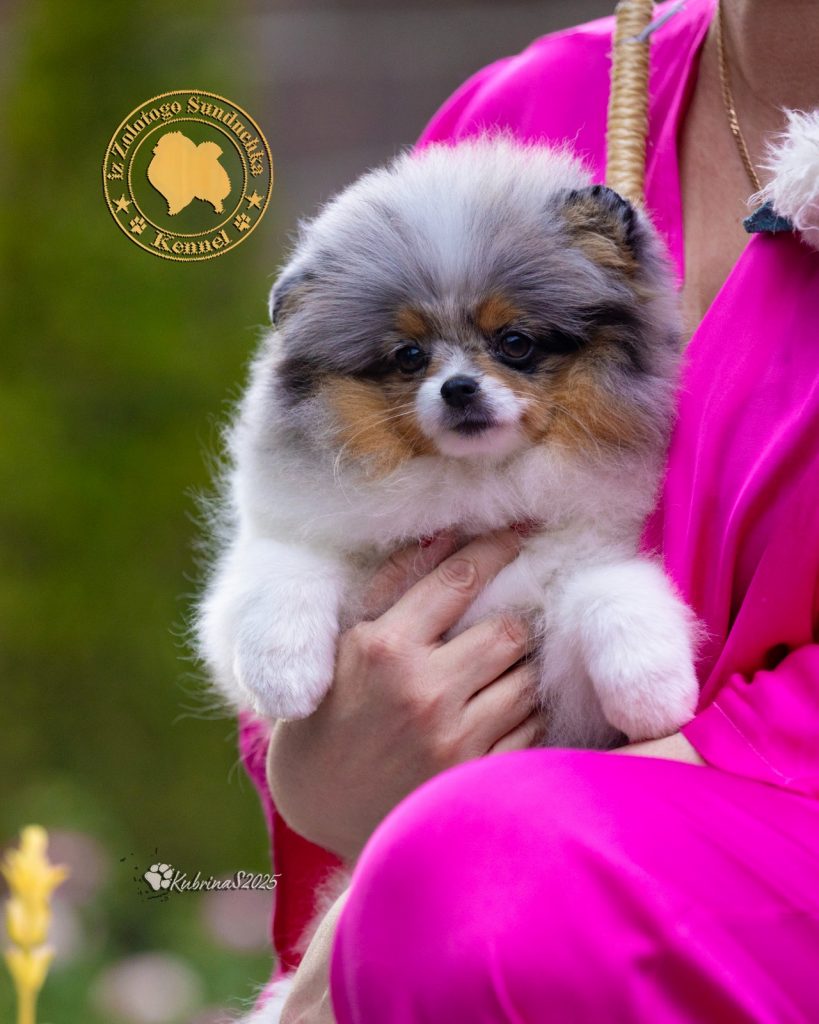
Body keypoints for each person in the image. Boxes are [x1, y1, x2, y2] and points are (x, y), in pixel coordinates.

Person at [239, 0, 819, 1018]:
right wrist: (320, 768)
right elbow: (318, 512)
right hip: (480, 859)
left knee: (486, 879)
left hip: (765, 840)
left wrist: (485, 837)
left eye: (510, 346)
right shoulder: (523, 118)